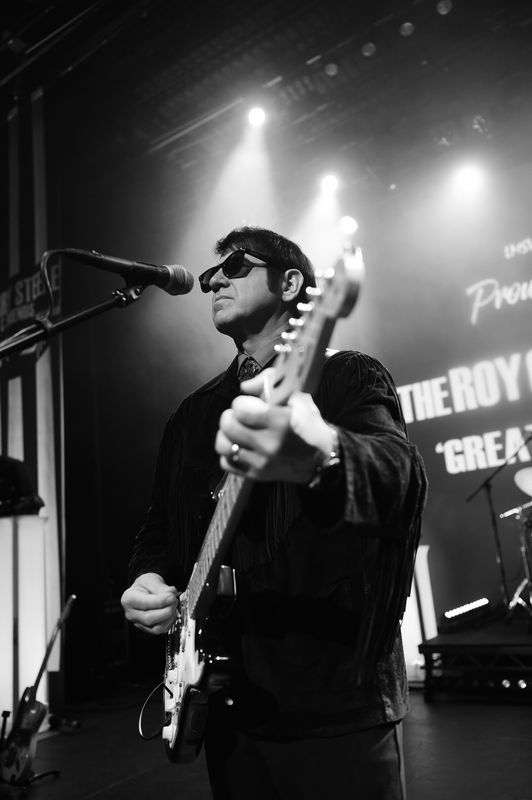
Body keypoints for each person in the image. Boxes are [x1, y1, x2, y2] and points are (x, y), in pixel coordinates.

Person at [121, 226, 427, 800]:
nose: (214, 280)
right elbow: (160, 525)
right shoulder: (192, 415)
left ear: (292, 286)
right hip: (226, 704)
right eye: (211, 274)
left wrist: (323, 455)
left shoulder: (345, 375)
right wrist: (147, 577)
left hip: (332, 700)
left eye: (235, 266)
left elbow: (398, 476)